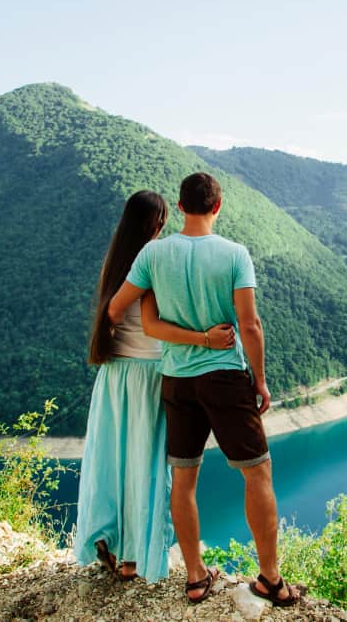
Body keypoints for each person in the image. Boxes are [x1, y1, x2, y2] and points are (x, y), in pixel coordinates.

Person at [109, 172, 301, 606]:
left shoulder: (153, 254)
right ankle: (270, 578)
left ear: (180, 207)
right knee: (257, 473)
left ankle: (196, 576)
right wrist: (261, 379)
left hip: (176, 379)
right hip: (225, 378)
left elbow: (118, 308)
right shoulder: (234, 254)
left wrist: (163, 315)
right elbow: (249, 324)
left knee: (184, 477)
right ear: (218, 207)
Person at [75, 189, 235, 583]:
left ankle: (113, 543)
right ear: (159, 223)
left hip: (115, 375)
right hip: (148, 375)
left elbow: (111, 313)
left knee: (114, 462)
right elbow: (151, 325)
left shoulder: (114, 263)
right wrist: (205, 339)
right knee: (147, 466)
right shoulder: (153, 261)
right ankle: (134, 559)